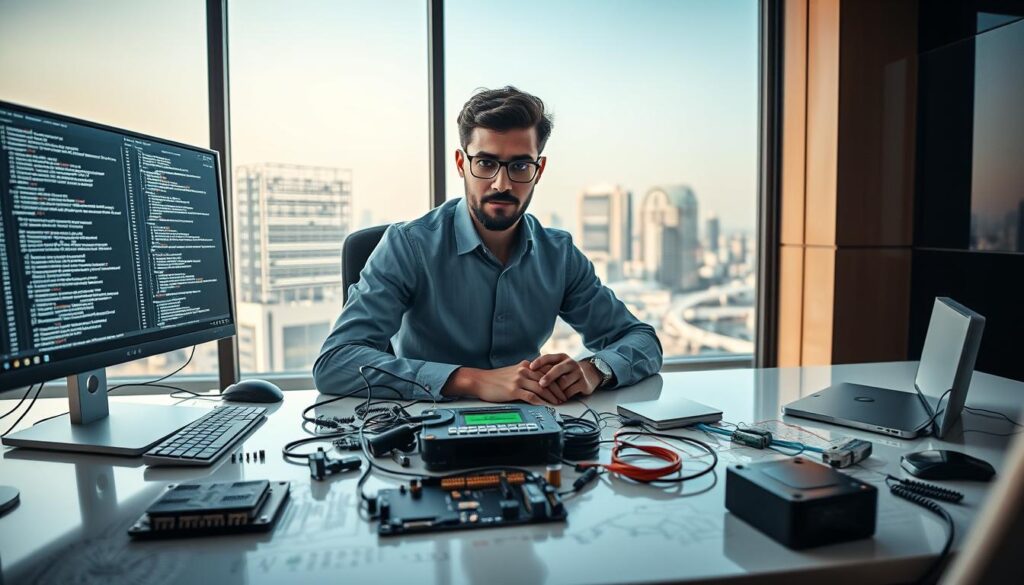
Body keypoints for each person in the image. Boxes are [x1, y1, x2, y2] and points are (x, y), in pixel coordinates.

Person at [313, 86, 662, 405]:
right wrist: (472, 380)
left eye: (520, 165)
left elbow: (641, 339)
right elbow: (335, 362)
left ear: (538, 170)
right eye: (486, 163)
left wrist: (594, 369)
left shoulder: (559, 254)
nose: (501, 183)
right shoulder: (408, 246)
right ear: (462, 164)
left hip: (532, 426)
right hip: (426, 427)